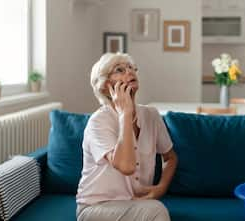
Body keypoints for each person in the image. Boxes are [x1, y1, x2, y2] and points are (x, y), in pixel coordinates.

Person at [76, 52, 178, 221]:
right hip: (96, 207)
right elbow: (126, 165)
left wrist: (161, 188)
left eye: (131, 68)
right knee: (157, 211)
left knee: (154, 209)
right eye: (120, 70)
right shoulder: (98, 122)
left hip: (134, 205)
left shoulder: (151, 115)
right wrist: (125, 114)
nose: (130, 72)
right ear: (106, 85)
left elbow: (170, 157)